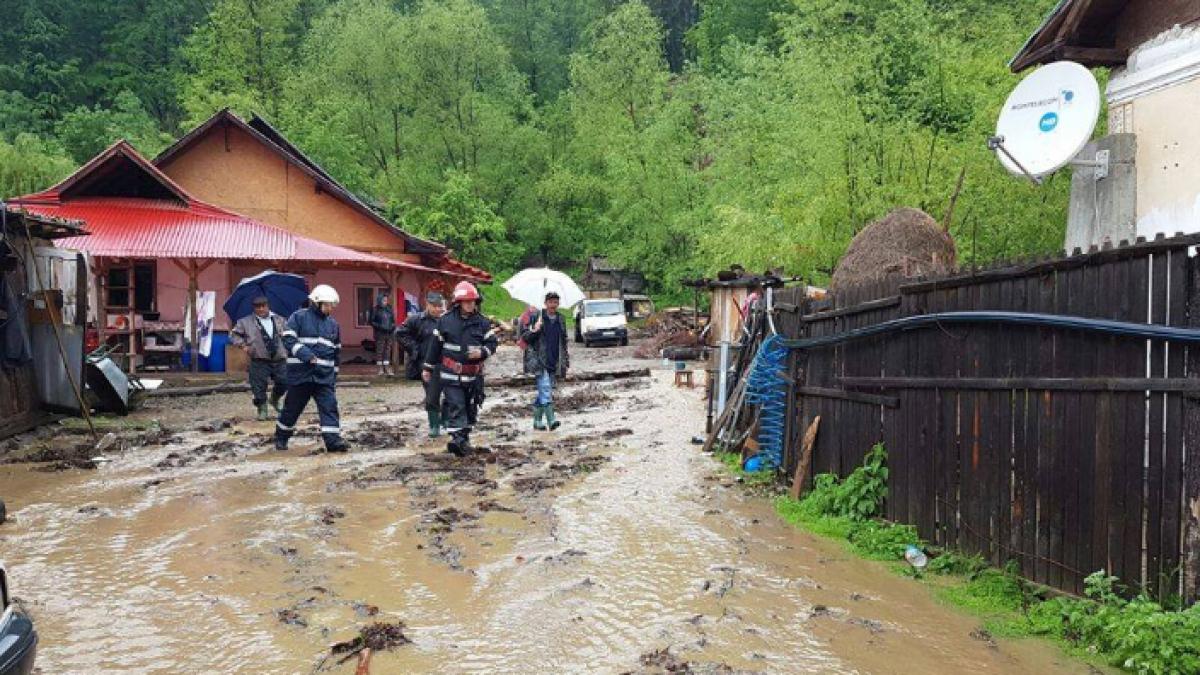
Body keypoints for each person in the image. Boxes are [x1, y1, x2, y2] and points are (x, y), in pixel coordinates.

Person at [423, 281, 498, 456]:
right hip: (450, 376)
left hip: (473, 377)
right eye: (466, 301)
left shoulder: (482, 323)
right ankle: (457, 439)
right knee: (456, 406)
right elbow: (435, 347)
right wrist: (428, 367)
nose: (470, 304)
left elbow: (493, 343)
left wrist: (482, 352)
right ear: (458, 302)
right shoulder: (445, 321)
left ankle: (463, 440)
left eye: (473, 301)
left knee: (470, 409)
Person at [275, 284, 349, 453]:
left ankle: (333, 441)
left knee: (329, 407)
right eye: (328, 305)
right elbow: (288, 339)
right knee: (292, 409)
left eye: (332, 305)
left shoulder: (333, 325)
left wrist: (333, 376)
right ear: (317, 302)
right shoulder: (298, 317)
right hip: (301, 376)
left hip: (324, 378)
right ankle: (281, 437)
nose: (331, 309)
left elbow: (336, 352)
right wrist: (306, 355)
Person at [229, 296, 288, 421]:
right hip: (259, 358)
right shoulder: (245, 322)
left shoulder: (280, 319)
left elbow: (290, 334)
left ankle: (275, 399)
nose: (261, 309)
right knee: (258, 386)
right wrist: (243, 345)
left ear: (268, 306)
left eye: (263, 306)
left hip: (279, 357)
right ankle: (262, 408)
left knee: (284, 382)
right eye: (257, 307)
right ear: (254, 308)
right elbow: (234, 335)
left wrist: (287, 340)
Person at [397, 291, 447, 437]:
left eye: (440, 306)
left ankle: (445, 419)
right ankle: (434, 425)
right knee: (432, 395)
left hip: (446, 362)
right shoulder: (416, 319)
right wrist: (414, 349)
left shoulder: (446, 320)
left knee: (451, 394)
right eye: (435, 306)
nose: (438, 309)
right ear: (428, 305)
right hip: (426, 364)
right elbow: (400, 333)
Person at [522, 291, 570, 431]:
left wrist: (565, 360)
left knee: (544, 391)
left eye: (555, 302)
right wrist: (535, 330)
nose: (553, 305)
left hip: (553, 360)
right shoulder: (537, 317)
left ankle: (537, 421)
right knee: (545, 389)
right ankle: (551, 420)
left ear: (558, 304)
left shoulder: (561, 319)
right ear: (545, 303)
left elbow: (564, 341)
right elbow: (525, 337)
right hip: (539, 361)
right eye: (550, 302)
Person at [369, 291, 397, 376]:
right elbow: (371, 321)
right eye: (384, 300)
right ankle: (380, 367)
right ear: (379, 300)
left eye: (386, 300)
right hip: (380, 333)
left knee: (387, 350)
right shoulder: (375, 309)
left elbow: (393, 320)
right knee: (380, 350)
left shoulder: (389, 309)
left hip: (389, 333)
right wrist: (380, 326)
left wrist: (392, 326)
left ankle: (387, 366)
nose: (385, 302)